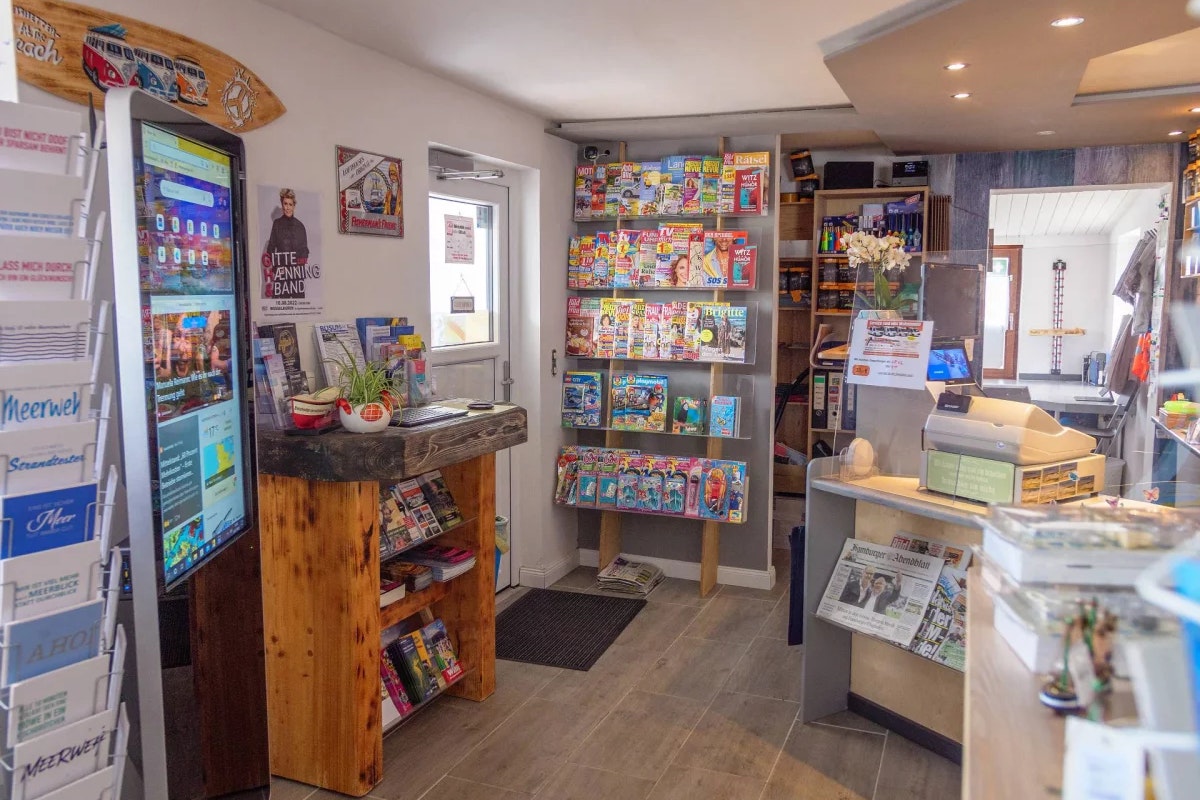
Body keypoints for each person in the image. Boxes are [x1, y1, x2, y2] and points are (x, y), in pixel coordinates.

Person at [262, 189, 309, 296]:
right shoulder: (277, 224)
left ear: (294, 206)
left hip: (297, 277)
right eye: (285, 204)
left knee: (299, 305)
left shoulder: (300, 226)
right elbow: (270, 248)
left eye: (290, 204)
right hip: (281, 275)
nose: (287, 207)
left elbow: (304, 251)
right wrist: (277, 268)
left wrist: (298, 268)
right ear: (282, 204)